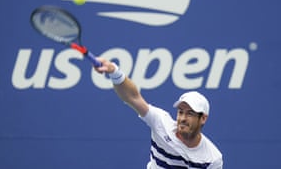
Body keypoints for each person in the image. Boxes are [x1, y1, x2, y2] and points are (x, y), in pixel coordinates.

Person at [94, 58, 223, 169]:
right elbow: (132, 97)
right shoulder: (161, 122)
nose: (182, 118)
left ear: (203, 118)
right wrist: (114, 71)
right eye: (180, 112)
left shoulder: (212, 159)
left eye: (190, 114)